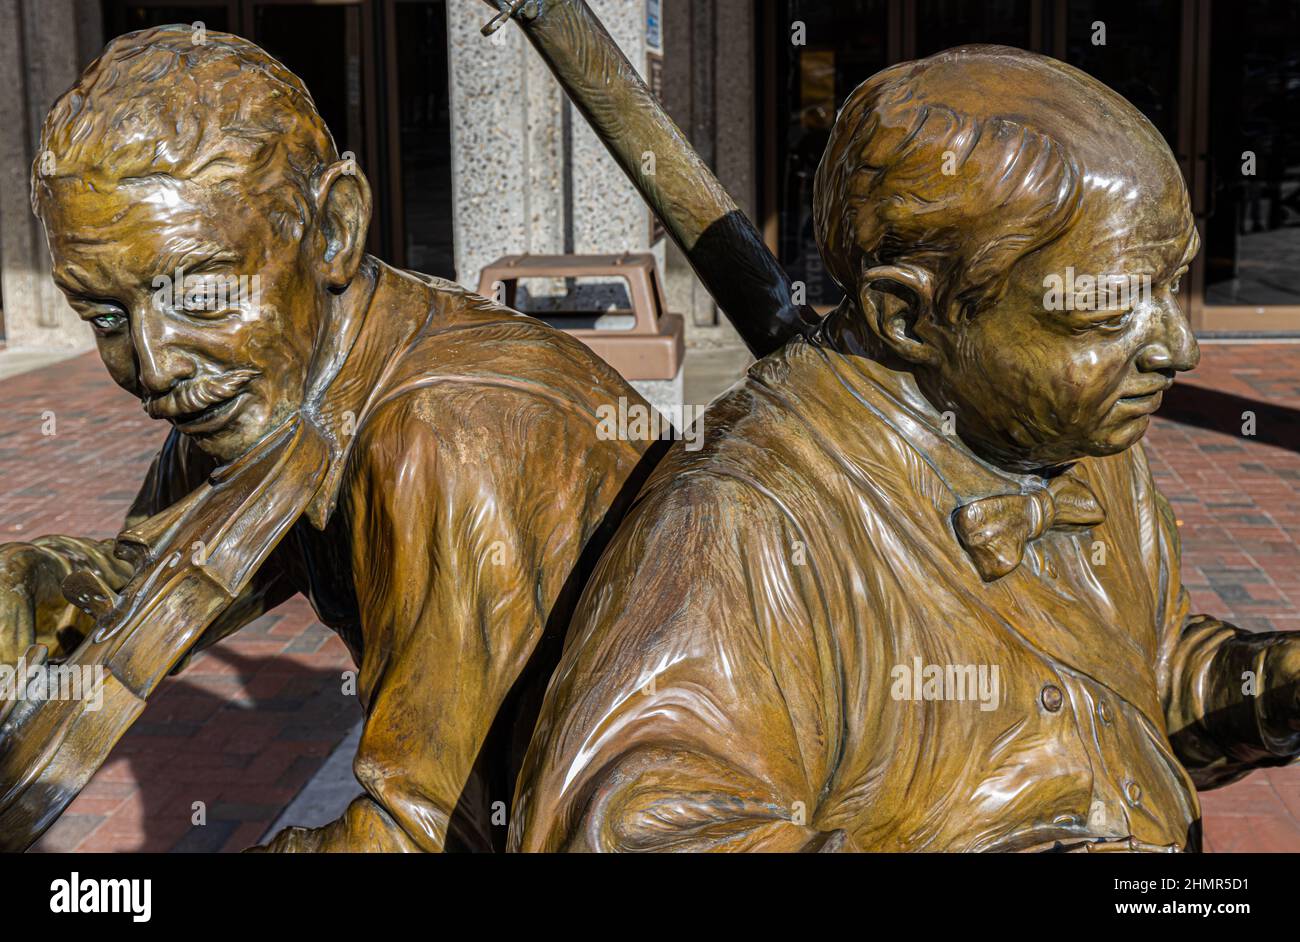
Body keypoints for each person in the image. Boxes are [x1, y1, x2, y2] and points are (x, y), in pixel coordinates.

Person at [509, 46, 1300, 853]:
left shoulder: (1078, 439)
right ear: (908, 319)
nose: (1179, 346)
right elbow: (639, 837)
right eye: (1104, 315)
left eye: (1172, 283)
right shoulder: (743, 523)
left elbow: (1143, 675)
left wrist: (1272, 690)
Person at [2, 25, 659, 851]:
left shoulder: (443, 443)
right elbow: (158, 573)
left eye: (202, 291)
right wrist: (37, 586)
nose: (154, 365)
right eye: (104, 315)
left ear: (336, 229)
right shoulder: (270, 376)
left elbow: (420, 833)